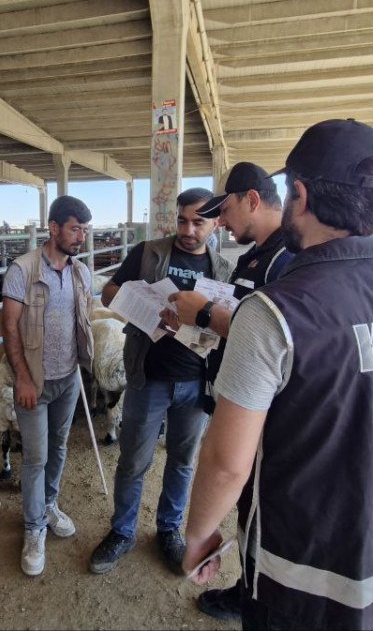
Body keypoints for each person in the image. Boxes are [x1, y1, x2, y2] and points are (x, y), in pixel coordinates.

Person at [182, 119, 373, 631]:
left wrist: (200, 534)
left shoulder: (274, 314)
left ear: (302, 195)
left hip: (305, 583)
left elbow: (226, 463)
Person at [164, 161, 293, 622]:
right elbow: (239, 322)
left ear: (252, 200)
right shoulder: (256, 255)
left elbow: (269, 335)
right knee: (248, 507)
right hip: (236, 392)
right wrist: (197, 322)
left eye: (225, 210)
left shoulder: (286, 258)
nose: (221, 221)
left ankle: (257, 599)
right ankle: (248, 588)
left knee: (261, 507)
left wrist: (203, 314)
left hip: (262, 413)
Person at [89, 188, 233, 575]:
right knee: (134, 459)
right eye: (182, 220)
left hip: (195, 382)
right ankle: (122, 532)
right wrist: (146, 305)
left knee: (183, 462)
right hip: (148, 376)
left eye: (198, 222)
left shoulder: (223, 269)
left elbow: (226, 323)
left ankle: (169, 531)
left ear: (216, 224)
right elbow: (109, 293)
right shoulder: (149, 253)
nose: (187, 230)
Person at [0, 195, 94, 576]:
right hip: (34, 383)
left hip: (68, 378)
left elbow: (83, 318)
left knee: (58, 447)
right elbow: (9, 327)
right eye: (75, 229)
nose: (81, 237)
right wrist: (22, 377)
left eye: (85, 230)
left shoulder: (81, 272)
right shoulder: (22, 270)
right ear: (54, 228)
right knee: (35, 457)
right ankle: (33, 527)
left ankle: (49, 504)